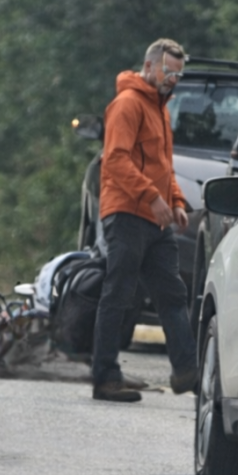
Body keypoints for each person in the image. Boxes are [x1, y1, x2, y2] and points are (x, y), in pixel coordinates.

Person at [91, 38, 198, 402]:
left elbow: (163, 166)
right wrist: (152, 197)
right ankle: (105, 378)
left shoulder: (160, 108)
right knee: (119, 294)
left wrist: (176, 201)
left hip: (156, 220)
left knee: (173, 294)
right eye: (169, 72)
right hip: (126, 213)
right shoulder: (128, 104)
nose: (174, 79)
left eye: (178, 74)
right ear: (149, 66)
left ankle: (187, 372)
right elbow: (115, 160)